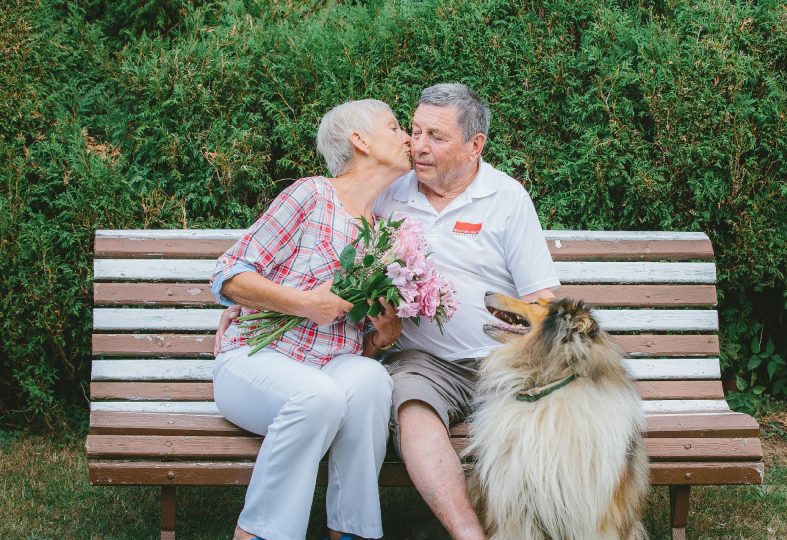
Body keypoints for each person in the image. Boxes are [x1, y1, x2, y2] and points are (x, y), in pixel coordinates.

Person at [209, 98, 411, 540]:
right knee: (319, 397)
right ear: (360, 141)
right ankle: (262, 533)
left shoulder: (380, 234)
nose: (408, 137)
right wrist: (304, 303)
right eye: (395, 127)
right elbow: (228, 275)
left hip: (327, 368)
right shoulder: (311, 194)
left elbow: (357, 338)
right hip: (255, 360)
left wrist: (383, 337)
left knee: (372, 380)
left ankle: (353, 531)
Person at [373, 83, 559, 540]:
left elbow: (542, 300)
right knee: (411, 406)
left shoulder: (506, 197)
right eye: (414, 131)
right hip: (423, 361)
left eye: (436, 136)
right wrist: (251, 298)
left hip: (501, 360)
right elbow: (325, 245)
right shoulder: (388, 194)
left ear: (475, 146)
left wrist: (529, 361)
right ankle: (469, 535)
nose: (418, 146)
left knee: (544, 417)